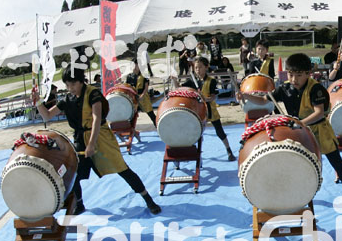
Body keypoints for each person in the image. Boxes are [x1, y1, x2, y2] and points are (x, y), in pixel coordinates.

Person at [33, 65, 161, 215]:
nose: (70, 88)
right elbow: (47, 116)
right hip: (81, 139)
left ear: (81, 81)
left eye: (73, 84)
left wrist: (91, 144)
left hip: (101, 137)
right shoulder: (68, 99)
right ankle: (79, 204)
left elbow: (96, 119)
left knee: (122, 168)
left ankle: (148, 199)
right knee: (73, 173)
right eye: (67, 85)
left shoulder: (93, 93)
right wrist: (38, 102)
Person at [259, 53, 342, 210]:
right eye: (290, 74)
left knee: (337, 163)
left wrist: (300, 123)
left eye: (299, 75)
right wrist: (246, 97)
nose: (294, 79)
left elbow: (319, 112)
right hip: (299, 132)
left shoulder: (316, 89)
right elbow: (264, 100)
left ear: (308, 74)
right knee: (296, 165)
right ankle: (294, 196)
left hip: (319, 131)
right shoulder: (285, 88)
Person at [180, 56, 236, 161]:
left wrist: (205, 98)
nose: (198, 70)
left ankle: (229, 150)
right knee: (195, 133)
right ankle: (193, 153)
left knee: (219, 131)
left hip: (211, 110)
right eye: (196, 68)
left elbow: (213, 97)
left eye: (200, 67)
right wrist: (174, 80)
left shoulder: (211, 81)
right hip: (198, 111)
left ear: (206, 67)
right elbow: (180, 88)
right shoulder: (192, 81)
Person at [125, 61, 157, 127]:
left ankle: (157, 125)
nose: (135, 67)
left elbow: (146, 87)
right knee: (132, 115)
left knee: (151, 114)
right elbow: (127, 87)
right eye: (133, 65)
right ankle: (130, 129)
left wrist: (142, 95)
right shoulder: (129, 76)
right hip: (133, 97)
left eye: (136, 65)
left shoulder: (144, 75)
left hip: (143, 96)